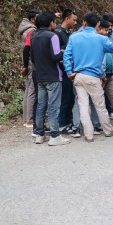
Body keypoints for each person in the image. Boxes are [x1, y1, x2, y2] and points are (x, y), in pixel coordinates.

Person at [63, 12, 113, 142]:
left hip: (78, 76)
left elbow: (66, 55)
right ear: (98, 24)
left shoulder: (74, 37)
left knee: (83, 105)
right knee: (100, 105)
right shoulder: (101, 39)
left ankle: (88, 135)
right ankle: (108, 130)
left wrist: (68, 72)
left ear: (84, 22)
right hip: (93, 77)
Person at [30, 11, 70, 146]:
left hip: (40, 76)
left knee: (41, 105)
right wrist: (63, 53)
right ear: (50, 23)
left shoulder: (34, 36)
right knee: (53, 106)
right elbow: (55, 56)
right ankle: (54, 135)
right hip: (53, 75)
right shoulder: (52, 36)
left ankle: (39, 134)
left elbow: (33, 58)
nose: (55, 23)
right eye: (54, 21)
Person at [54, 9, 78, 133]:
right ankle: (62, 123)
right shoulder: (58, 33)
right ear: (67, 18)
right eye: (73, 20)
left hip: (70, 70)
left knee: (70, 97)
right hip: (62, 71)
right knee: (65, 97)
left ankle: (67, 121)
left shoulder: (68, 33)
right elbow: (57, 53)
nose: (75, 23)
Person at [18, 9, 40, 128]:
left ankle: (26, 118)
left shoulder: (25, 28)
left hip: (27, 62)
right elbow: (27, 49)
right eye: (38, 17)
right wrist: (26, 65)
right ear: (33, 19)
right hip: (31, 63)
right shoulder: (32, 31)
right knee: (32, 90)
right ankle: (30, 120)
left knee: (28, 90)